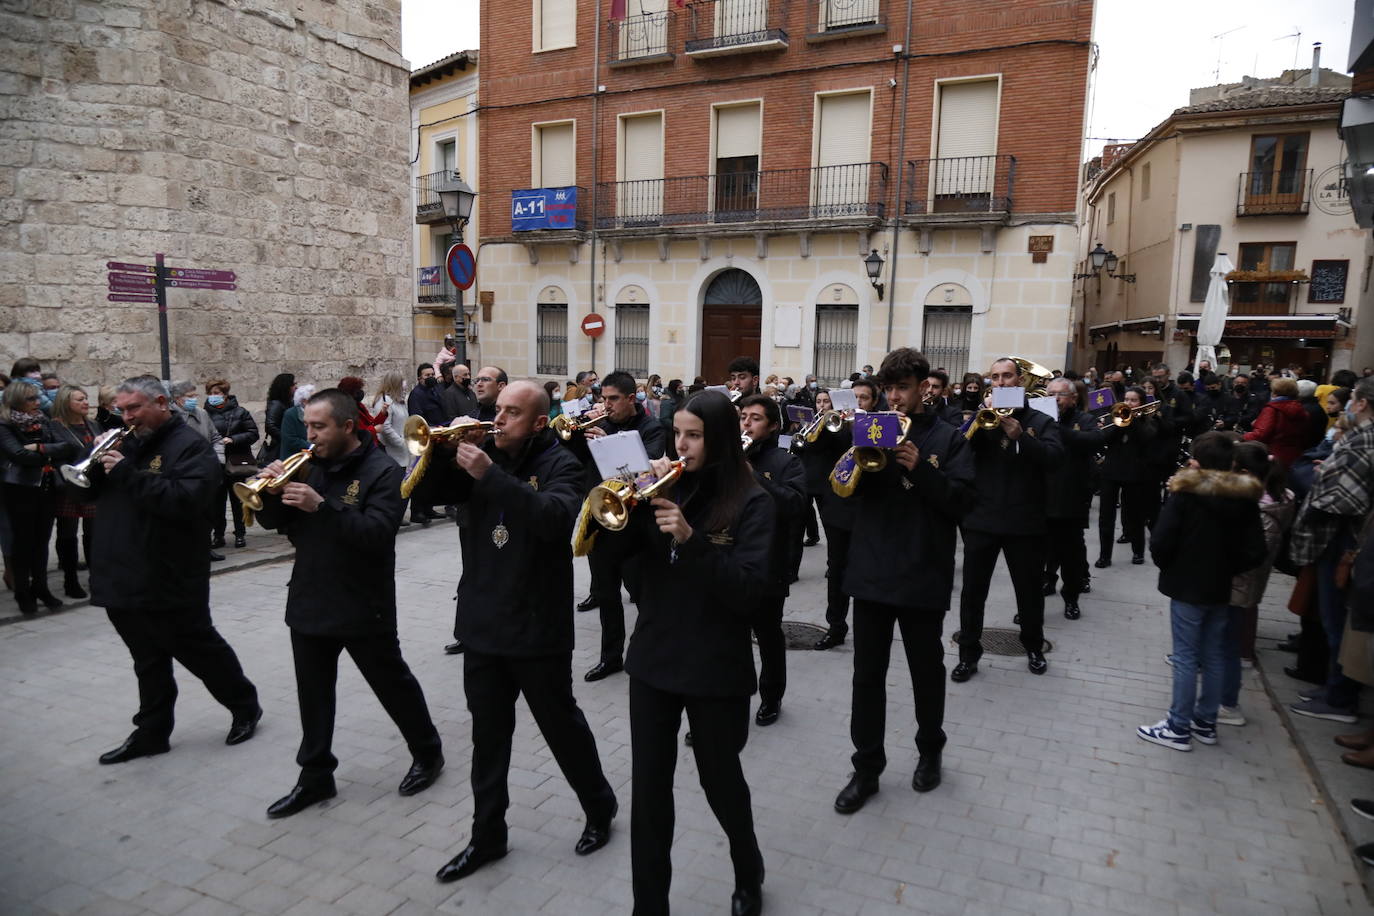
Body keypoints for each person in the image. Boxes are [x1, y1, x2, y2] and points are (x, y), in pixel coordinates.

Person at [587, 390, 771, 915]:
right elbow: (619, 562)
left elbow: (751, 593)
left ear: (717, 439)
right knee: (649, 790)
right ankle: (650, 904)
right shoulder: (661, 487)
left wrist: (691, 540)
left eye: (694, 436)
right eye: (677, 435)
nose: (681, 446)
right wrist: (620, 505)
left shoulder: (752, 501)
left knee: (721, 781)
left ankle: (747, 866)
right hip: (654, 659)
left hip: (716, 666)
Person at [428, 381, 618, 884]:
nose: (499, 419)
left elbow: (554, 519)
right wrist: (439, 456)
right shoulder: (480, 452)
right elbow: (429, 494)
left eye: (513, 413)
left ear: (537, 422)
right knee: (488, 738)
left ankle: (599, 806)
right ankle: (487, 836)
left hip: (537, 626)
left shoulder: (562, 463)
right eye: (498, 410)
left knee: (561, 727)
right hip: (483, 621)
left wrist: (490, 475)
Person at [253, 388, 444, 818]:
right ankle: (315, 775)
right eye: (308, 426)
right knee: (314, 695)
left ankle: (428, 752)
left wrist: (323, 507)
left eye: (319, 426)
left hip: (363, 601)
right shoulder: (307, 466)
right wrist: (270, 490)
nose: (311, 435)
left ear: (347, 426)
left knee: (391, 683)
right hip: (310, 597)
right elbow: (274, 521)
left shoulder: (383, 471)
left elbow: (377, 534)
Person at [86, 376, 261, 764]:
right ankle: (152, 731)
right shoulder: (124, 442)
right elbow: (86, 493)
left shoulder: (190, 447)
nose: (126, 417)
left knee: (198, 649)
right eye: (122, 409)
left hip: (171, 572)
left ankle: (244, 705)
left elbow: (186, 502)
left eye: (134, 408)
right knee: (147, 659)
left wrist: (128, 475)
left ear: (162, 403)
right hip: (123, 571)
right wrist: (94, 465)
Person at [832, 348, 974, 813]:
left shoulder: (949, 438)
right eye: (888, 389)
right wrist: (854, 459)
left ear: (922, 388)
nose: (895, 397)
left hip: (922, 571)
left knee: (925, 672)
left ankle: (930, 750)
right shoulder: (870, 428)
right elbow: (843, 493)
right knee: (866, 677)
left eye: (903, 388)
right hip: (871, 571)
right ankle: (866, 768)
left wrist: (921, 469)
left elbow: (962, 503)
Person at [1138, 433, 1266, 751]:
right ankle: (1206, 722)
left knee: (1185, 657)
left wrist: (1171, 565)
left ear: (1197, 460)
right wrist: (1228, 568)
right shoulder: (1244, 499)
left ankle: (1178, 726)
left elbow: (1161, 539)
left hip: (1186, 584)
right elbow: (1255, 550)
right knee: (1213, 655)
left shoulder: (1185, 494)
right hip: (1219, 586)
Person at [953, 358, 1064, 681]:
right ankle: (968, 654)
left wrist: (1021, 437)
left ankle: (1033, 647)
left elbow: (1055, 459)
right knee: (972, 593)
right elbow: (958, 449)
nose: (1001, 382)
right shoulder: (981, 418)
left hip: (1025, 521)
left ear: (1021, 382)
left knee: (1028, 591)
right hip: (982, 519)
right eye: (995, 378)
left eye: (1007, 377)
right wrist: (978, 419)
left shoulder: (1040, 418)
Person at [562, 370, 666, 680]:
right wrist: (576, 431)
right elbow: (573, 457)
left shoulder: (651, 427)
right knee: (606, 594)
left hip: (637, 524)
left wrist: (609, 444)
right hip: (602, 519)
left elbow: (646, 473)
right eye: (603, 399)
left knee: (642, 594)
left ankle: (647, 649)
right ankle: (611, 657)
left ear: (631, 399)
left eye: (613, 399)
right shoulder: (600, 425)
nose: (606, 405)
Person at [1287, 376, 1374, 723]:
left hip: (1341, 540)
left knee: (1338, 621)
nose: (1349, 402)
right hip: (1338, 537)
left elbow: (1341, 499)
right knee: (1330, 618)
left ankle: (1339, 698)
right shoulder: (1358, 437)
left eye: (1352, 398)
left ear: (1363, 403)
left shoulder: (1364, 440)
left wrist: (1312, 475)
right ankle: (1333, 686)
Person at [738, 394, 806, 726]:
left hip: (768, 564)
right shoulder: (725, 457)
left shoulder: (785, 462)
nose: (746, 423)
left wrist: (754, 479)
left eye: (755, 418)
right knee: (727, 638)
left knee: (767, 636)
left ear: (774, 426)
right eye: (743, 417)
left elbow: (795, 506)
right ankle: (726, 704)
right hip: (730, 563)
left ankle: (771, 696)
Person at [1220, 441, 1295, 727]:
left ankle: (1229, 703)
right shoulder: (1278, 497)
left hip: (1240, 581)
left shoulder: (1262, 509)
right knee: (1238, 625)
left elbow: (1250, 553)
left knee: (1228, 643)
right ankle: (1242, 656)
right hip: (1248, 581)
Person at [0, 382, 77, 614]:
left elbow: (67, 446)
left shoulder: (42, 420)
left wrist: (40, 449)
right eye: (31, 399)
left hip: (45, 486)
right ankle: (23, 591)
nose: (37, 403)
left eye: (37, 398)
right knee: (23, 542)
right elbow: (19, 454)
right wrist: (44, 452)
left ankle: (41, 586)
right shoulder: (5, 425)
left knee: (42, 541)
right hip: (19, 489)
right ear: (17, 401)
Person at [1043, 377, 1103, 619]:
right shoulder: (1040, 420)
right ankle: (1038, 595)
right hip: (1042, 498)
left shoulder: (1085, 420)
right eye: (1052, 394)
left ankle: (1071, 598)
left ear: (1074, 398)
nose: (1056, 399)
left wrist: (1059, 429)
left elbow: (1095, 440)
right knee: (1039, 555)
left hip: (1071, 500)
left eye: (1061, 394)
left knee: (1071, 555)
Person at [801, 389, 853, 649]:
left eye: (865, 399)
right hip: (837, 502)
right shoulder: (829, 424)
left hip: (869, 507)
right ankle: (836, 626)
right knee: (837, 568)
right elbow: (812, 447)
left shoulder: (873, 422)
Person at [1096, 386, 1158, 568]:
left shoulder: (1148, 421)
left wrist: (1134, 420)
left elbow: (1147, 438)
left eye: (1134, 400)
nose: (1129, 403)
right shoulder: (1115, 416)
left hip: (1135, 473)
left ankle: (1138, 551)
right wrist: (1119, 422)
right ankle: (1104, 555)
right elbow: (1104, 438)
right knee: (1106, 517)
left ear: (1141, 403)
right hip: (1111, 472)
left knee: (1135, 515)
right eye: (1127, 399)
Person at [51, 385, 101, 599]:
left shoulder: (93, 425)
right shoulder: (55, 426)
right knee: (67, 533)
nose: (85, 402)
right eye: (79, 399)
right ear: (66, 403)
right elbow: (57, 454)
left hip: (91, 483)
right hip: (68, 485)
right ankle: (70, 580)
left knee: (93, 533)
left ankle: (95, 577)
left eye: (86, 398)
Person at [203, 379, 259, 549]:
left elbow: (253, 433)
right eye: (211, 393)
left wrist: (233, 439)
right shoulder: (203, 414)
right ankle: (218, 535)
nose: (214, 396)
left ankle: (240, 534)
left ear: (225, 394)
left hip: (236, 462)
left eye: (217, 393)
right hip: (215, 464)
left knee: (238, 500)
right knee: (216, 502)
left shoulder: (240, 412)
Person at [406, 364, 447, 526]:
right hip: (425, 439)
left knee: (433, 476)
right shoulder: (416, 395)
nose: (430, 377)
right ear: (419, 378)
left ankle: (429, 507)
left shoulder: (435, 390)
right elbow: (417, 418)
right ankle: (417, 511)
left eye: (432, 374)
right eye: (426, 375)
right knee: (421, 477)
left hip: (438, 437)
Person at [1243, 377, 1310, 468]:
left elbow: (1261, 434)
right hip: (1295, 455)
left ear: (1275, 392)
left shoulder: (1273, 409)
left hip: (1273, 454)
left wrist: (1242, 437)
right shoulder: (1301, 409)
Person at [262, 373, 295, 463]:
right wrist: (286, 438)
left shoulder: (288, 403)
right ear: (286, 387)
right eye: (293, 384)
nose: (295, 387)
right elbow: (270, 426)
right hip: (279, 447)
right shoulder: (276, 404)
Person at [279, 383, 314, 460]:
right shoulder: (290, 414)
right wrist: (311, 446)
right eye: (313, 399)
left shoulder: (314, 413)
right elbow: (290, 439)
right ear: (304, 401)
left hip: (309, 456)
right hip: (293, 457)